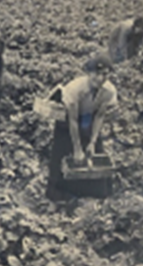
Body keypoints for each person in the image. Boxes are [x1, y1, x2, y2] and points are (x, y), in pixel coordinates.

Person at [46, 54, 117, 201]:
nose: (100, 78)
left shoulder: (109, 90)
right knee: (64, 154)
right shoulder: (74, 89)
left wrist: (92, 142)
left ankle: (94, 194)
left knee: (95, 153)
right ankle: (60, 196)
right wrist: (77, 149)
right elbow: (72, 120)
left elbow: (99, 116)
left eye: (105, 74)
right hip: (67, 121)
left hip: (88, 118)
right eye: (97, 74)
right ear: (88, 73)